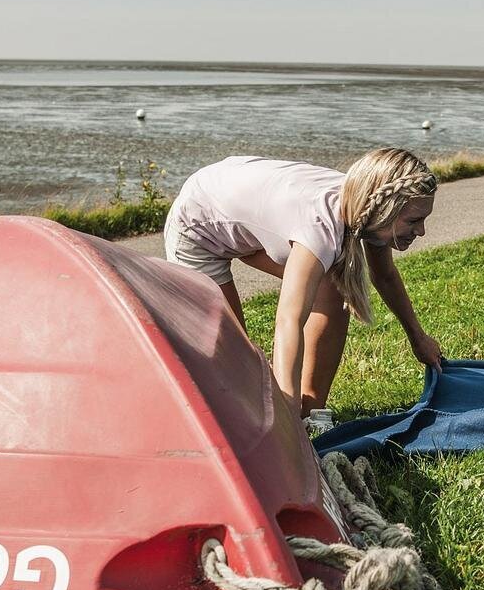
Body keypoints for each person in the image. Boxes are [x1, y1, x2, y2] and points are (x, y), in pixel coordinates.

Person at [164, 148, 442, 416]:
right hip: (198, 226)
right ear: (386, 211)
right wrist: (286, 405)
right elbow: (290, 320)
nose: (421, 231)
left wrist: (419, 339)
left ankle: (311, 412)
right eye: (415, 221)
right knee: (232, 354)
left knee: (333, 287)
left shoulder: (365, 208)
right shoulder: (320, 230)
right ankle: (285, 413)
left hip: (242, 209)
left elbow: (385, 275)